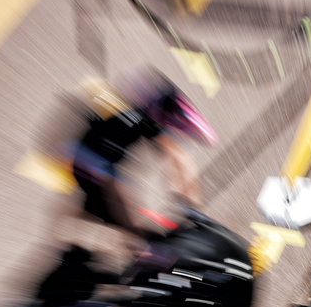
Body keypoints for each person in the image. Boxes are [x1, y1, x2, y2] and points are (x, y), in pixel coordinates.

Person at [71, 73, 214, 243]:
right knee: (134, 231)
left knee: (113, 218)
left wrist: (187, 203)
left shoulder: (136, 115)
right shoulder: (142, 119)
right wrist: (191, 205)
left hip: (88, 164)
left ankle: (77, 250)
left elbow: (176, 159)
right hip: (92, 169)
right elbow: (178, 158)